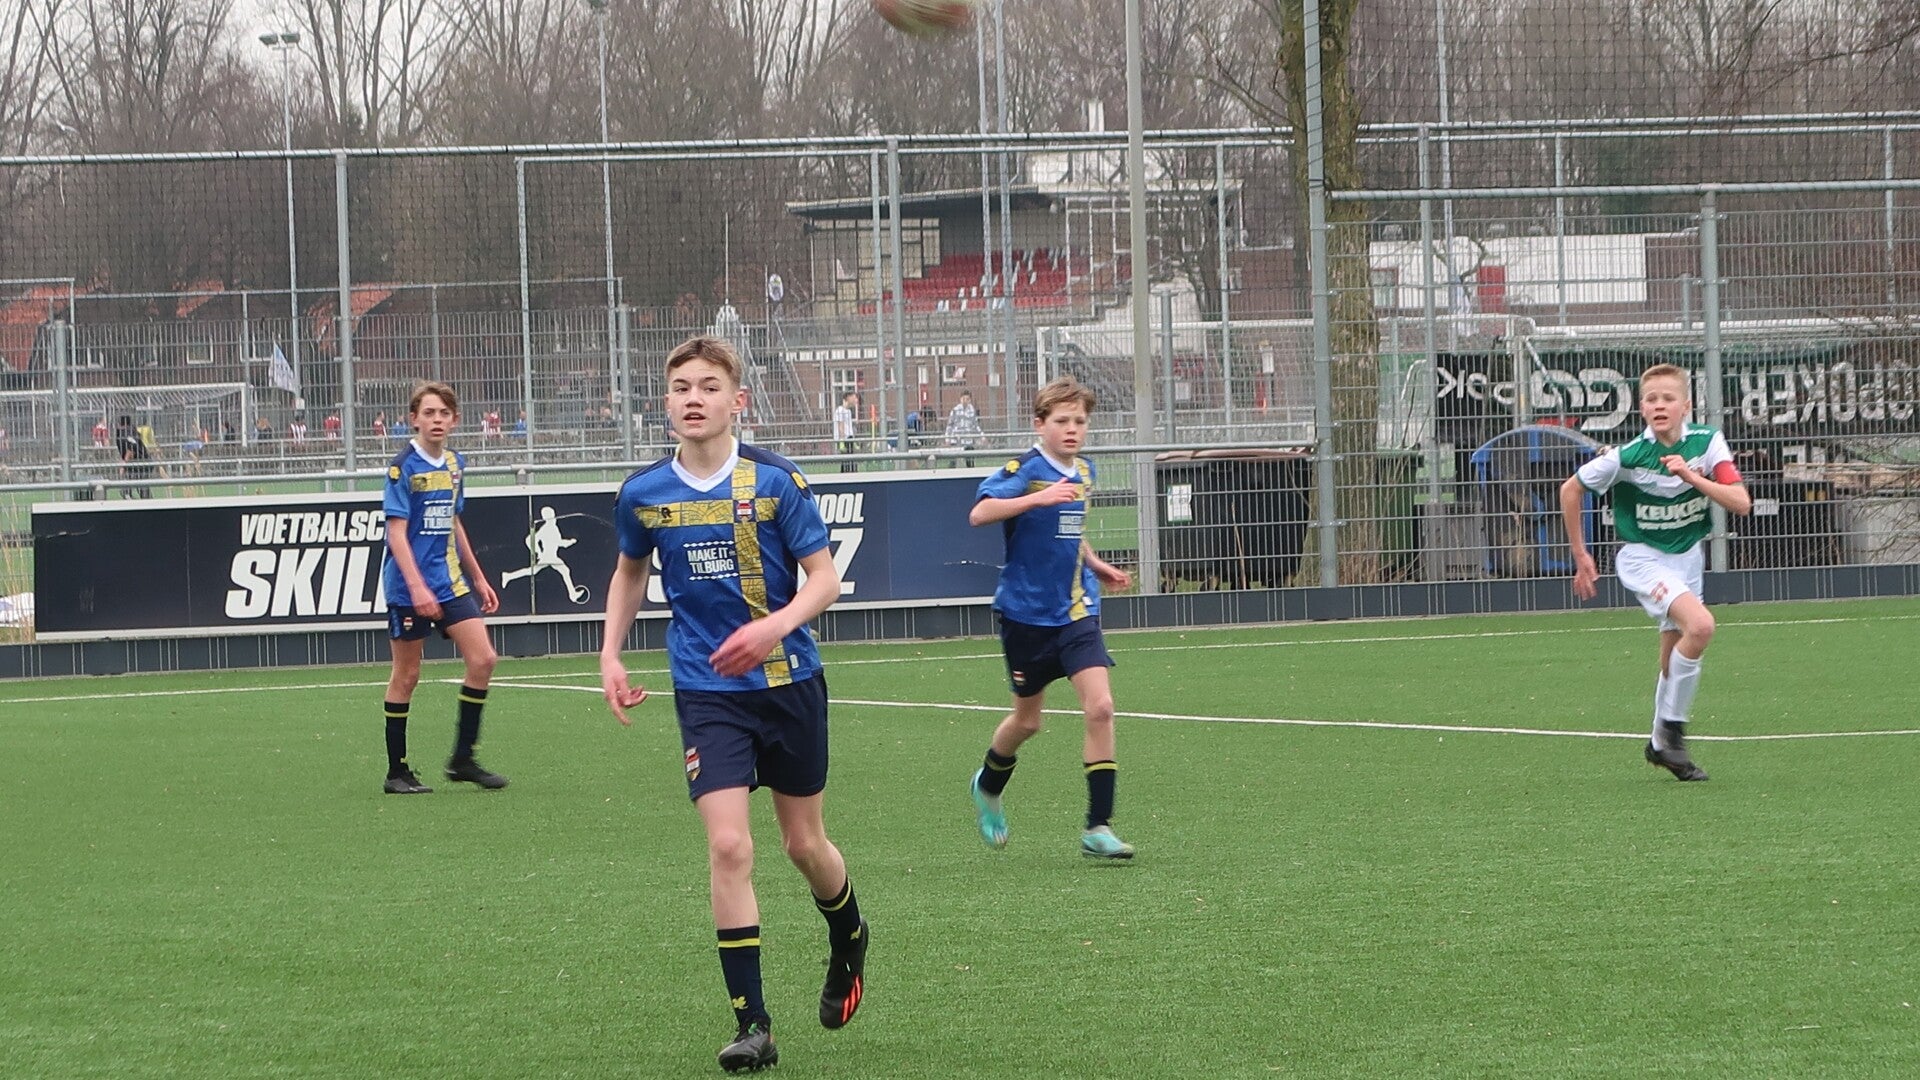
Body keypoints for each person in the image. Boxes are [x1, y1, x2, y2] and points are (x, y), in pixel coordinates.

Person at [599, 336, 868, 1073]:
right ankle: (753, 1025)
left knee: (803, 846)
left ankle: (848, 933)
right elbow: (629, 572)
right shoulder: (643, 493)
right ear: (666, 402)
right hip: (706, 689)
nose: (695, 398)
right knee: (728, 846)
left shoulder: (776, 481)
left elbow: (824, 580)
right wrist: (611, 652)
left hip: (789, 684)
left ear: (737, 400)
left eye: (709, 386)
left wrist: (774, 626)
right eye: (682, 386)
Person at [967, 375, 1136, 858]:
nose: (1072, 429)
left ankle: (1098, 827)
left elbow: (1072, 529)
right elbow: (980, 513)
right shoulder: (1025, 468)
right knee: (1028, 722)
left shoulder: (1085, 471)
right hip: (1025, 614)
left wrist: (1095, 564)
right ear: (1039, 424)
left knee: (1101, 707)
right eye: (1062, 421)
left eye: (1080, 421)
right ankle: (988, 785)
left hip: (1077, 610)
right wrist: (1037, 497)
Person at [1558, 363, 1752, 782]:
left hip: (1688, 557)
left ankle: (1661, 745)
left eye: (1668, 398)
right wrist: (1580, 555)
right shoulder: (1627, 456)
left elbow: (1740, 502)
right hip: (1642, 558)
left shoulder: (1708, 442)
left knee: (1673, 656)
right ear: (1642, 409)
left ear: (1686, 406)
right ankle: (1672, 732)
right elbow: (1570, 490)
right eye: (1651, 399)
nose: (1659, 405)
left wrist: (1690, 475)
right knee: (1701, 627)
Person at [379, 381, 506, 796]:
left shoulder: (454, 464)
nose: (437, 420)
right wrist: (417, 587)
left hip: (449, 582)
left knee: (483, 659)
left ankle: (462, 759)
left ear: (455, 420)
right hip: (408, 587)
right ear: (413, 419)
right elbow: (396, 534)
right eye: (429, 413)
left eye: (444, 413)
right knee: (407, 675)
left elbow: (453, 521)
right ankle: (397, 771)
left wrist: (479, 577)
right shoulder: (403, 467)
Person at [114, 415, 155, 499]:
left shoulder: (127, 433)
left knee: (141, 486)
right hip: (135, 464)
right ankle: (129, 495)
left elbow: (131, 449)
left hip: (142, 463)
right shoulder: (127, 432)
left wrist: (124, 464)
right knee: (131, 484)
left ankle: (146, 502)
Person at [945, 389, 983, 467]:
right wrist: (947, 438)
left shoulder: (972, 411)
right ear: (960, 399)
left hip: (968, 439)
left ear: (970, 400)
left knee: (970, 461)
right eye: (963, 399)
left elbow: (975, 425)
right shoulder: (955, 410)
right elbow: (949, 425)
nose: (965, 401)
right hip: (956, 439)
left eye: (967, 399)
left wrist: (982, 436)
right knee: (952, 462)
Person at [832, 390, 860, 473]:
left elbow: (849, 427)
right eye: (854, 398)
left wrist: (853, 440)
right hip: (844, 438)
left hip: (849, 438)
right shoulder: (840, 410)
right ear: (848, 397)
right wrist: (842, 442)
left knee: (851, 461)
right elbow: (841, 426)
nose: (856, 400)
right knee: (846, 462)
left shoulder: (848, 411)